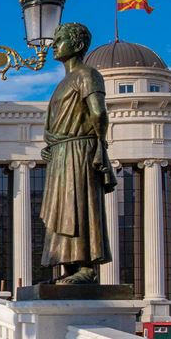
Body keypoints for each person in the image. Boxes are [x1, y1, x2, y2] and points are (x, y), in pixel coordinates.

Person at [40, 23, 117, 284]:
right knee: (63, 210)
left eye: (60, 39)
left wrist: (99, 144)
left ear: (78, 45)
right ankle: (69, 267)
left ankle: (87, 267)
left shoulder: (88, 74)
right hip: (63, 151)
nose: (54, 44)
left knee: (80, 204)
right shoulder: (65, 81)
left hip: (79, 150)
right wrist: (53, 146)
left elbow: (98, 112)